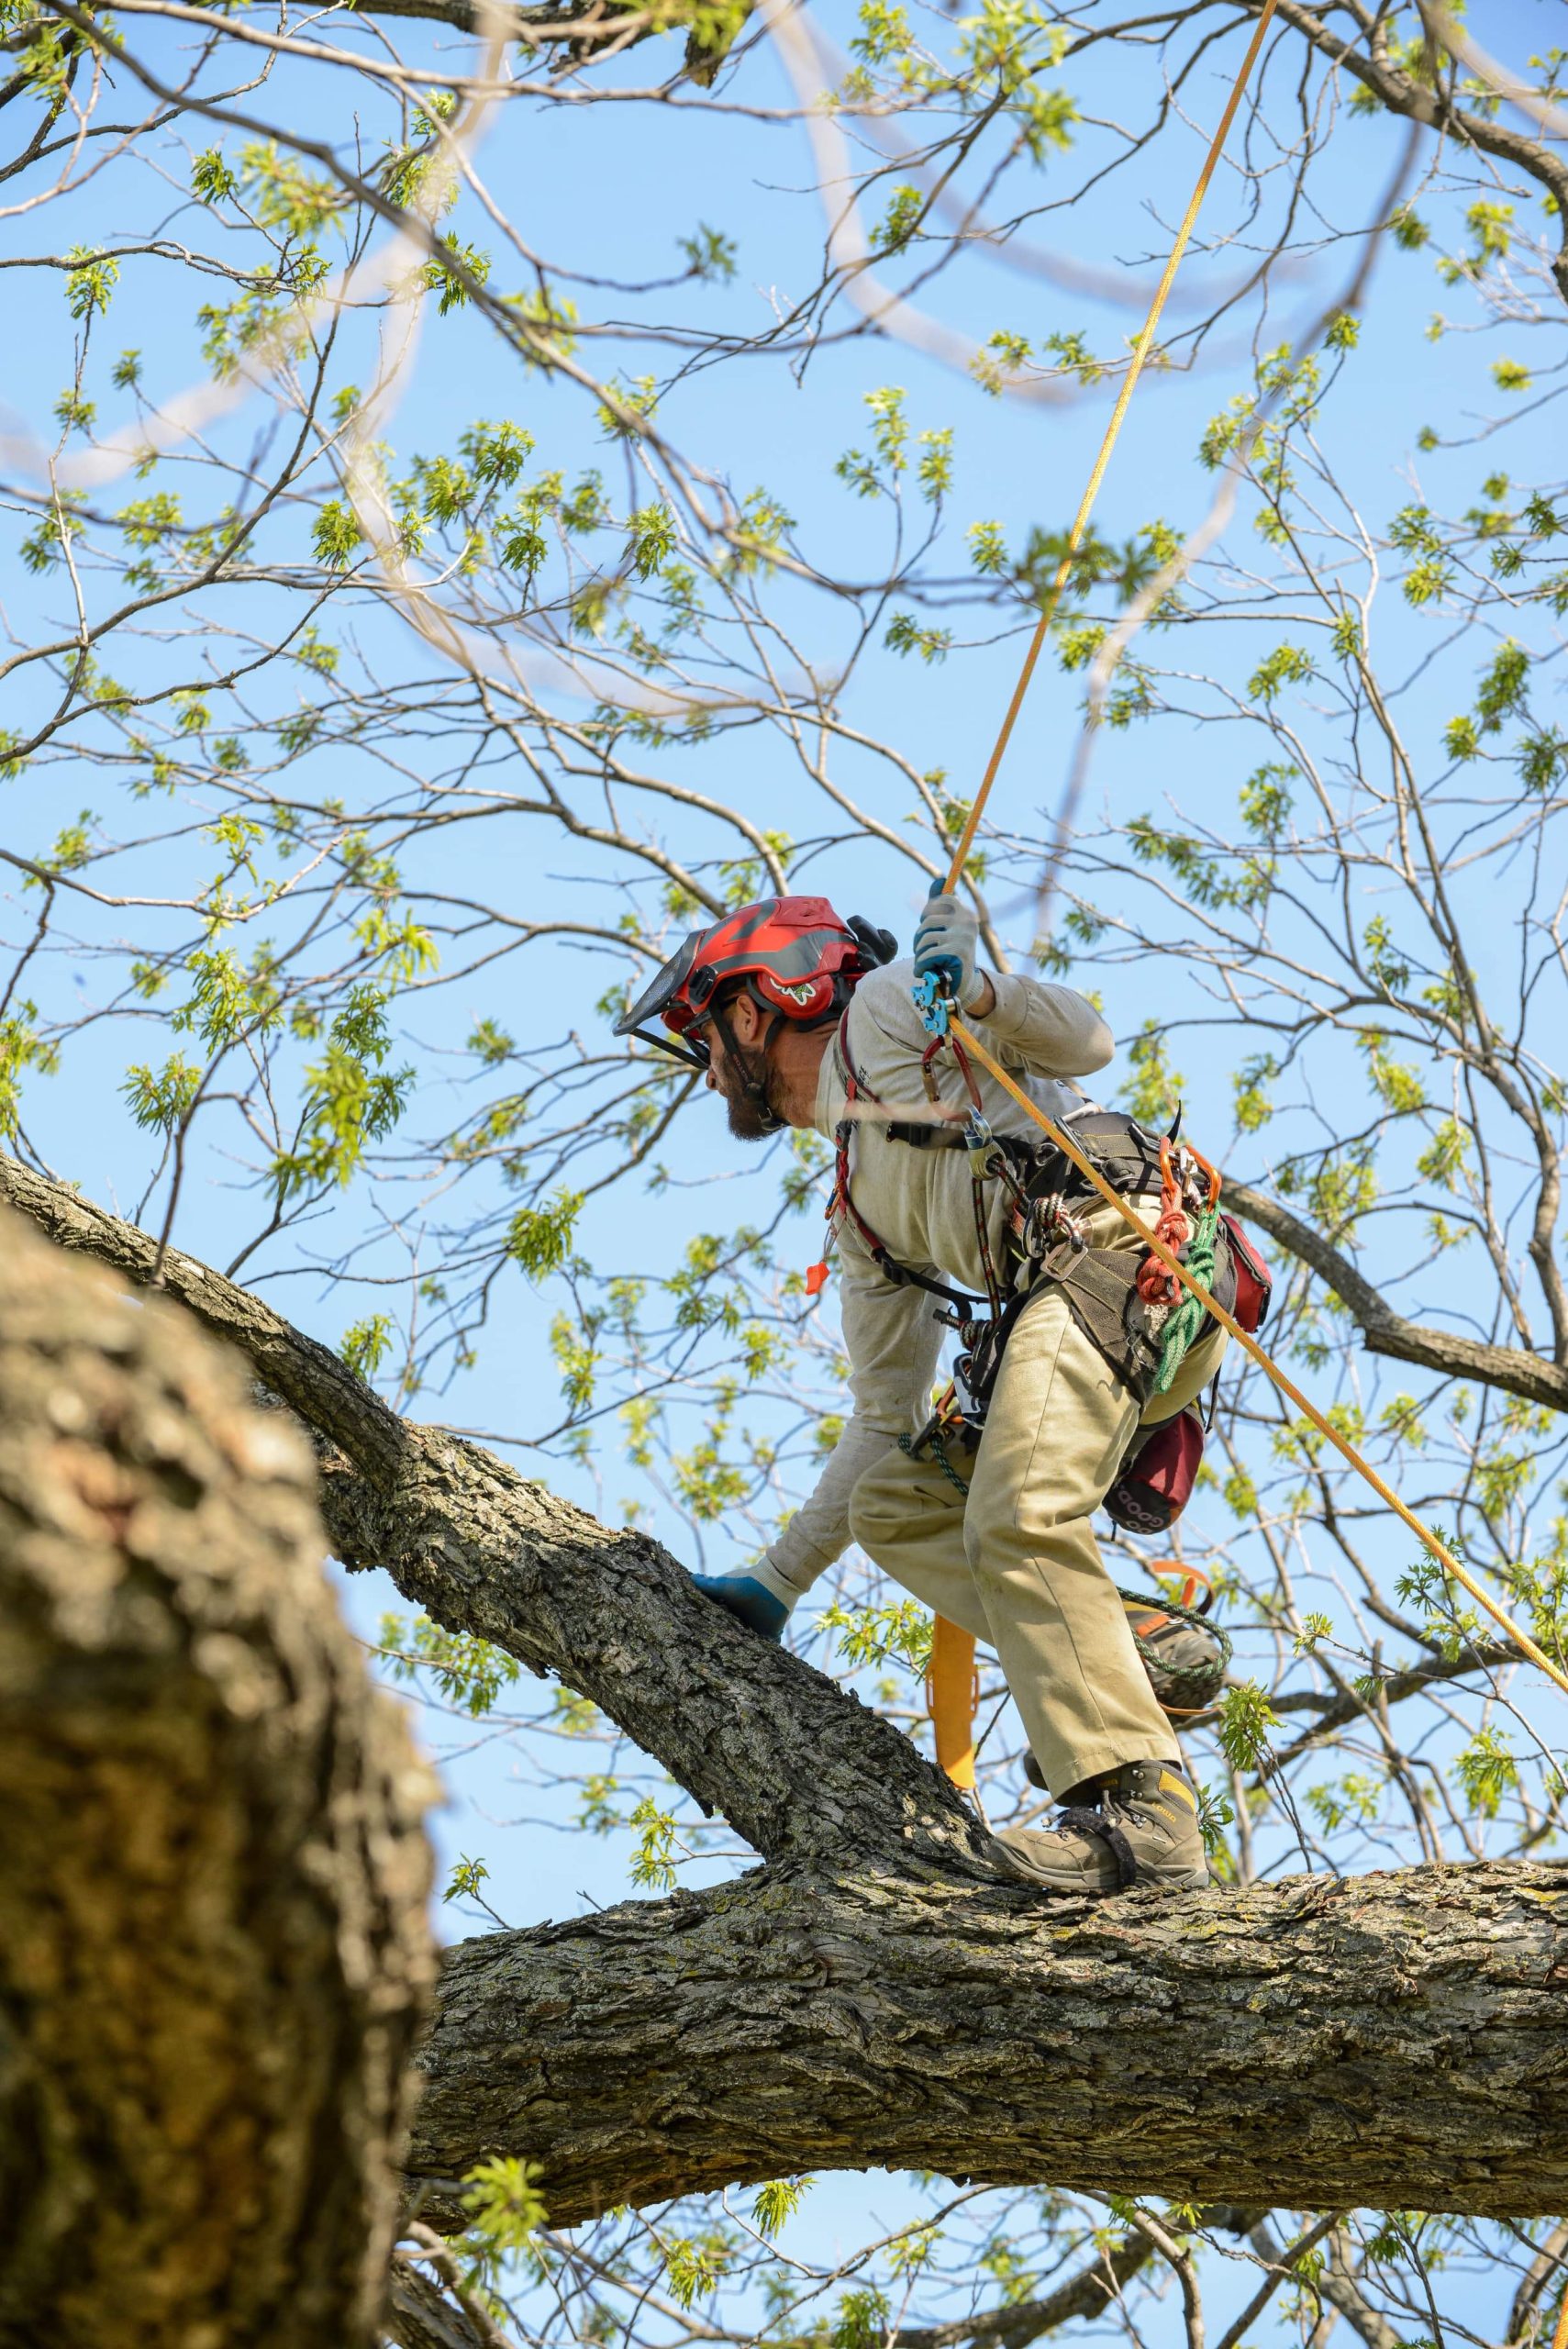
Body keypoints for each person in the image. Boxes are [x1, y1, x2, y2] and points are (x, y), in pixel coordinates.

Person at [615, 892, 1227, 1893]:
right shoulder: (860, 1209)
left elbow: (1086, 1040)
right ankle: (1132, 1646)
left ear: (762, 1003)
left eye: (708, 1032)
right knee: (895, 1500)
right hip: (1066, 1315)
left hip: (1121, 1263)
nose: (709, 1065)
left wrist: (980, 993)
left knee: (1015, 1512)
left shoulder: (888, 1011)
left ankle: (1144, 1821)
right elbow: (881, 1421)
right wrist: (773, 1584)